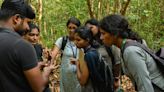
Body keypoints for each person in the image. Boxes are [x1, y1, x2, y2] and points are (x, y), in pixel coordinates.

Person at [99, 14, 164, 92]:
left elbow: (145, 87)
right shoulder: (125, 47)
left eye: (103, 33)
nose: (101, 38)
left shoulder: (130, 51)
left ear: (115, 33)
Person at [0, 0, 54, 92]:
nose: (28, 27)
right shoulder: (22, 45)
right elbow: (38, 88)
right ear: (16, 18)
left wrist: (33, 66)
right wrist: (46, 72)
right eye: (27, 22)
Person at [71, 26, 114, 92]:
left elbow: (82, 81)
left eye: (78, 40)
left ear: (87, 40)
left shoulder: (88, 56)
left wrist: (77, 65)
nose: (75, 42)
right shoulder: (95, 51)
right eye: (74, 39)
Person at [85, 19, 122, 91]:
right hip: (94, 81)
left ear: (98, 27)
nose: (89, 30)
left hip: (109, 79)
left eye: (91, 27)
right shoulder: (88, 43)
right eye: (87, 28)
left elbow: (117, 62)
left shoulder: (108, 41)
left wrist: (116, 79)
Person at [51, 17, 81, 92]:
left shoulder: (83, 41)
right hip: (65, 77)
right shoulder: (62, 40)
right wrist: (50, 59)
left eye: (74, 28)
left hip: (79, 76)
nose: (71, 30)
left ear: (78, 28)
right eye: (69, 27)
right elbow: (53, 55)